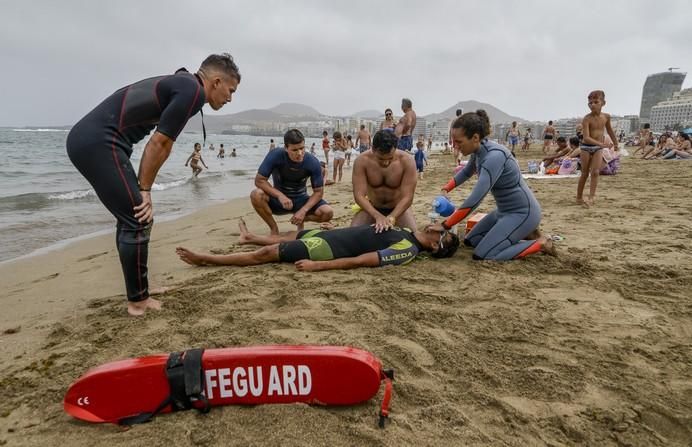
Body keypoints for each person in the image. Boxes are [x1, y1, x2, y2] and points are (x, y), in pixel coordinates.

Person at [66, 53, 241, 316]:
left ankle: (140, 289)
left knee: (131, 217)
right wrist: (145, 190)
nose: (230, 98)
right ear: (216, 81)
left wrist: (141, 189)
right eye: (231, 90)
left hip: (94, 141)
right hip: (99, 143)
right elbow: (160, 143)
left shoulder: (184, 84)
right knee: (138, 217)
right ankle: (138, 302)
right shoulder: (192, 92)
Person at [440, 110, 554, 260]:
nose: (455, 146)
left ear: (475, 137)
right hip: (503, 211)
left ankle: (541, 243)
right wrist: (446, 188)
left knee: (484, 254)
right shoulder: (479, 150)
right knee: (470, 241)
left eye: (459, 142)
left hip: (523, 213)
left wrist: (445, 226)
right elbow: (467, 172)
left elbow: (475, 199)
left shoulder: (494, 157)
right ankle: (522, 234)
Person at [176, 218, 459, 271]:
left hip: (326, 251)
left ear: (435, 246)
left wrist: (318, 266)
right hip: (331, 236)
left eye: (442, 231)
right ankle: (248, 237)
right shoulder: (408, 233)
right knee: (288, 235)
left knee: (265, 255)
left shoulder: (407, 250)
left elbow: (364, 260)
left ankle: (206, 259)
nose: (439, 225)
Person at [250, 129, 333, 235]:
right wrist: (280, 195)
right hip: (278, 201)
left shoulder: (312, 162)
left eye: (302, 148)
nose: (299, 153)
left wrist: (303, 210)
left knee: (327, 212)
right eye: (294, 150)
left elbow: (319, 192)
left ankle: (300, 219)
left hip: (301, 199)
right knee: (256, 194)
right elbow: (259, 180)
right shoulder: (275, 155)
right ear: (286, 148)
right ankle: (274, 229)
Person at [351, 129, 417, 231]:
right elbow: (359, 195)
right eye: (381, 159)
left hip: (398, 208)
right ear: (373, 149)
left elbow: (407, 197)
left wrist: (392, 217)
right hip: (372, 207)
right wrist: (377, 216)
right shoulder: (362, 161)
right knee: (353, 235)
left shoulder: (407, 161)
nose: (386, 163)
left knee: (412, 236)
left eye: (390, 158)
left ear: (395, 148)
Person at [576, 90, 619, 207]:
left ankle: (591, 197)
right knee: (584, 173)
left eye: (596, 102)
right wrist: (602, 144)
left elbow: (610, 130)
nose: (592, 105)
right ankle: (579, 197)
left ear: (603, 103)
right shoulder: (587, 119)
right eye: (590, 103)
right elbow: (586, 138)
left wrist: (615, 143)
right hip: (586, 147)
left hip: (598, 148)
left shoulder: (606, 117)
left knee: (595, 172)